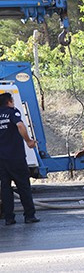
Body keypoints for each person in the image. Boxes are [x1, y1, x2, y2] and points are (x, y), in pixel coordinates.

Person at [0, 92, 40, 225]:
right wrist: (29, 141)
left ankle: (9, 218)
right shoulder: (12, 112)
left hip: (2, 159)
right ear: (9, 102)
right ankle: (29, 216)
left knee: (5, 188)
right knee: (23, 186)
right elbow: (20, 125)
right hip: (15, 157)